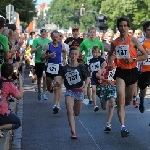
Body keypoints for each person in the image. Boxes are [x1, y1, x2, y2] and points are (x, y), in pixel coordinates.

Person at [108, 17, 147, 138]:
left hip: (132, 71)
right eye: (121, 25)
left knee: (128, 99)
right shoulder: (115, 42)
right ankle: (123, 127)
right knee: (120, 98)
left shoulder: (134, 40)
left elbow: (145, 55)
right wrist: (110, 65)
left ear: (128, 27)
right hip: (120, 72)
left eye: (125, 25)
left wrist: (133, 59)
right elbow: (110, 55)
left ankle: (130, 101)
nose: (123, 28)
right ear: (118, 27)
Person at [61, 46, 90, 139]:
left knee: (77, 113)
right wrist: (57, 83)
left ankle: (74, 127)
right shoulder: (65, 68)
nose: (73, 55)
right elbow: (60, 78)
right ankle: (73, 132)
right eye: (72, 54)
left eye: (75, 54)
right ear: (69, 55)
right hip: (69, 91)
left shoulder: (81, 66)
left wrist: (85, 87)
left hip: (79, 91)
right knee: (70, 110)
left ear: (78, 55)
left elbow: (87, 78)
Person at [41, 30, 66, 114]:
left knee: (57, 86)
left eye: (57, 37)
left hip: (59, 67)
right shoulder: (47, 46)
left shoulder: (61, 46)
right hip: (49, 67)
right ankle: (50, 90)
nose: (55, 39)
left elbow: (64, 52)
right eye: (54, 37)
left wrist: (64, 60)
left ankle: (56, 105)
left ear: (59, 37)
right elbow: (41, 57)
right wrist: (49, 55)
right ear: (51, 37)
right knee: (49, 88)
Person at [79, 27, 104, 105]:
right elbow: (79, 51)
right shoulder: (84, 42)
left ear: (95, 33)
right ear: (88, 33)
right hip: (88, 63)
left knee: (98, 79)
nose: (92, 34)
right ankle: (90, 98)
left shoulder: (99, 42)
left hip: (97, 63)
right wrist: (81, 59)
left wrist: (101, 60)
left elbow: (103, 52)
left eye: (93, 32)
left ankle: (98, 93)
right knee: (88, 80)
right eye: (91, 32)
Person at [0, 63, 23, 137]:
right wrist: (20, 81)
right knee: (18, 123)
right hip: (2, 114)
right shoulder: (9, 85)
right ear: (11, 74)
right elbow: (19, 96)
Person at [96, 54, 116, 131]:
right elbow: (98, 74)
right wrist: (104, 79)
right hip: (104, 86)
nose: (113, 57)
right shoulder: (104, 64)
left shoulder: (117, 64)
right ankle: (104, 99)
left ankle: (108, 124)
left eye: (114, 56)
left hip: (112, 86)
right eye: (111, 56)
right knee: (104, 107)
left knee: (112, 103)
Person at [31, 27, 51, 101]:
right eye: (42, 32)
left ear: (46, 33)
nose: (44, 33)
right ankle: (39, 91)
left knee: (45, 76)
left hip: (46, 62)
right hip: (38, 61)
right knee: (39, 78)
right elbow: (32, 51)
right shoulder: (36, 40)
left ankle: (44, 93)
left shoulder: (49, 41)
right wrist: (39, 46)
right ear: (40, 33)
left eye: (45, 32)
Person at [138, 21, 150, 113]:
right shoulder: (140, 41)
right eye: (148, 30)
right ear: (145, 31)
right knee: (143, 91)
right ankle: (141, 101)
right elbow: (135, 53)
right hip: (143, 70)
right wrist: (144, 52)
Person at [89, 46, 105, 112]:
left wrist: (101, 70)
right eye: (93, 52)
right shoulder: (91, 60)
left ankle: (103, 100)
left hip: (99, 76)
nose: (95, 54)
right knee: (93, 90)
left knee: (100, 91)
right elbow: (89, 67)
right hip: (93, 76)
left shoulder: (101, 59)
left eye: (96, 52)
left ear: (99, 53)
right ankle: (95, 105)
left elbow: (104, 64)